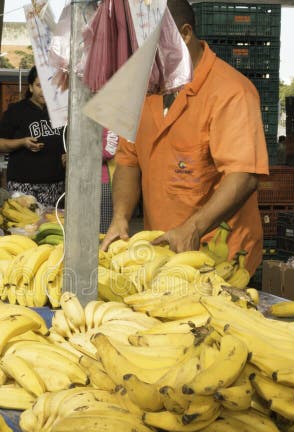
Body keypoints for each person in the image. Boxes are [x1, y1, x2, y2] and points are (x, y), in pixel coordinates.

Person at [101, 0, 268, 276]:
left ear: (185, 33)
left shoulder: (231, 92)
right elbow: (128, 162)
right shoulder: (144, 90)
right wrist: (120, 217)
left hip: (220, 255)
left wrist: (193, 227)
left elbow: (244, 175)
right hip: (160, 249)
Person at [0, 66, 66, 207]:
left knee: (51, 226)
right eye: (39, 85)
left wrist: (69, 155)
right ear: (31, 87)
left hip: (55, 185)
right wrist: (23, 142)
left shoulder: (61, 112)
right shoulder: (17, 110)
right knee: (24, 227)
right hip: (23, 184)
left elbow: (70, 143)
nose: (44, 91)